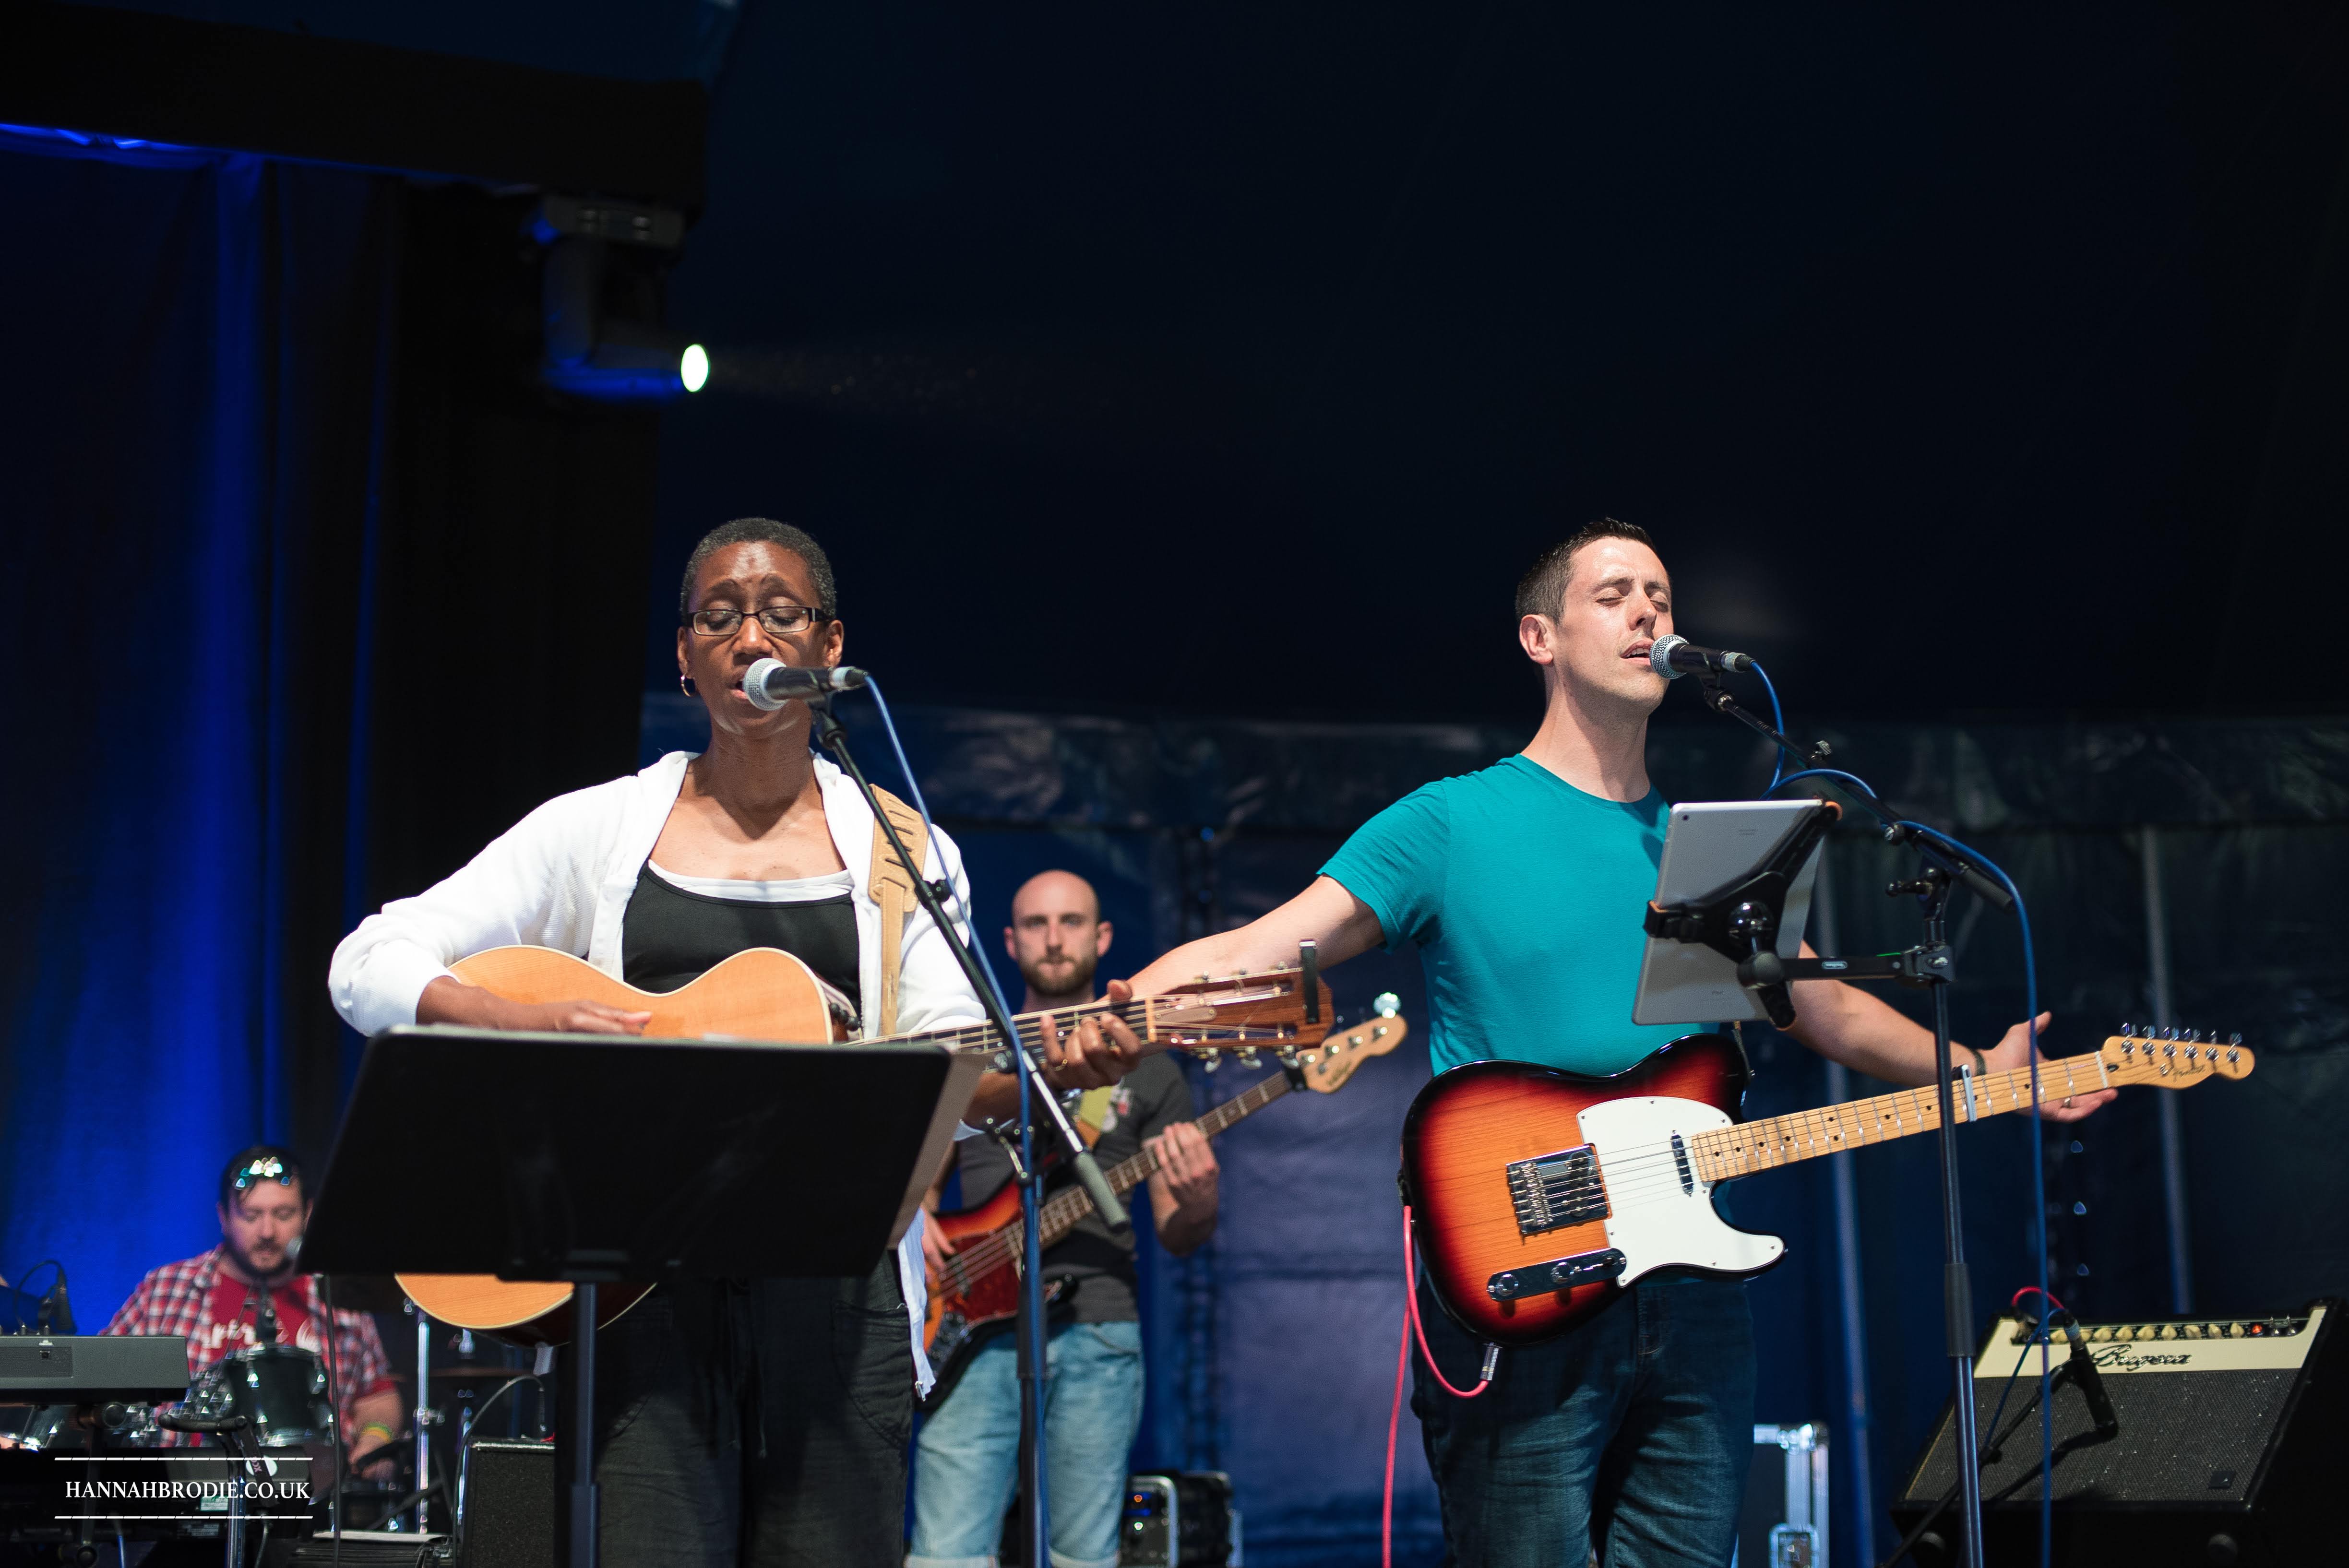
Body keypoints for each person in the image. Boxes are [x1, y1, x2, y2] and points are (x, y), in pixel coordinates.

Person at [1120, 519, 2113, 1568]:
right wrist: (1128, 1006)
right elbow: (1274, 942)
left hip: (1689, 1291)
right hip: (1525, 1272)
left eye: (1660, 594)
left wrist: (1977, 1072)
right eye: (1613, 593)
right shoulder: (1449, 822)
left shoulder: (1706, 842)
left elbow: (1818, 1005)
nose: (1646, 611)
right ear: (1537, 638)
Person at [326, 519, 1140, 1568]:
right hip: (639, 1297)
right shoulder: (598, 828)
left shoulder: (903, 846)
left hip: (839, 1300)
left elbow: (954, 1067)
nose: (746, 632)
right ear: (683, 653)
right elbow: (367, 960)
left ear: (827, 645)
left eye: (779, 612)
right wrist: (510, 1016)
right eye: (717, 615)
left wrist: (1049, 1063)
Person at [907, 871, 1219, 1568]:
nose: (1054, 939)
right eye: (1038, 924)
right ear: (1009, 942)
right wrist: (915, 1222)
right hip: (968, 1325)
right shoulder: (977, 1056)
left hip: (1098, 1325)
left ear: (1102, 936)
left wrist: (1197, 1197)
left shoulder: (1151, 1073)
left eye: (1071, 921)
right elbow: (921, 1181)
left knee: (1083, 1557)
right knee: (945, 1556)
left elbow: (1179, 1232)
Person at [104, 1147, 401, 1473]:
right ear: (223, 1218)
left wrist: (376, 1437)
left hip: (313, 1500)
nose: (267, 1232)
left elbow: (377, 1399)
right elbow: (99, 1383)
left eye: (284, 1214)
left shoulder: (340, 1299)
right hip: (180, 1493)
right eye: (251, 1215)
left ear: (308, 1214)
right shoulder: (165, 1290)